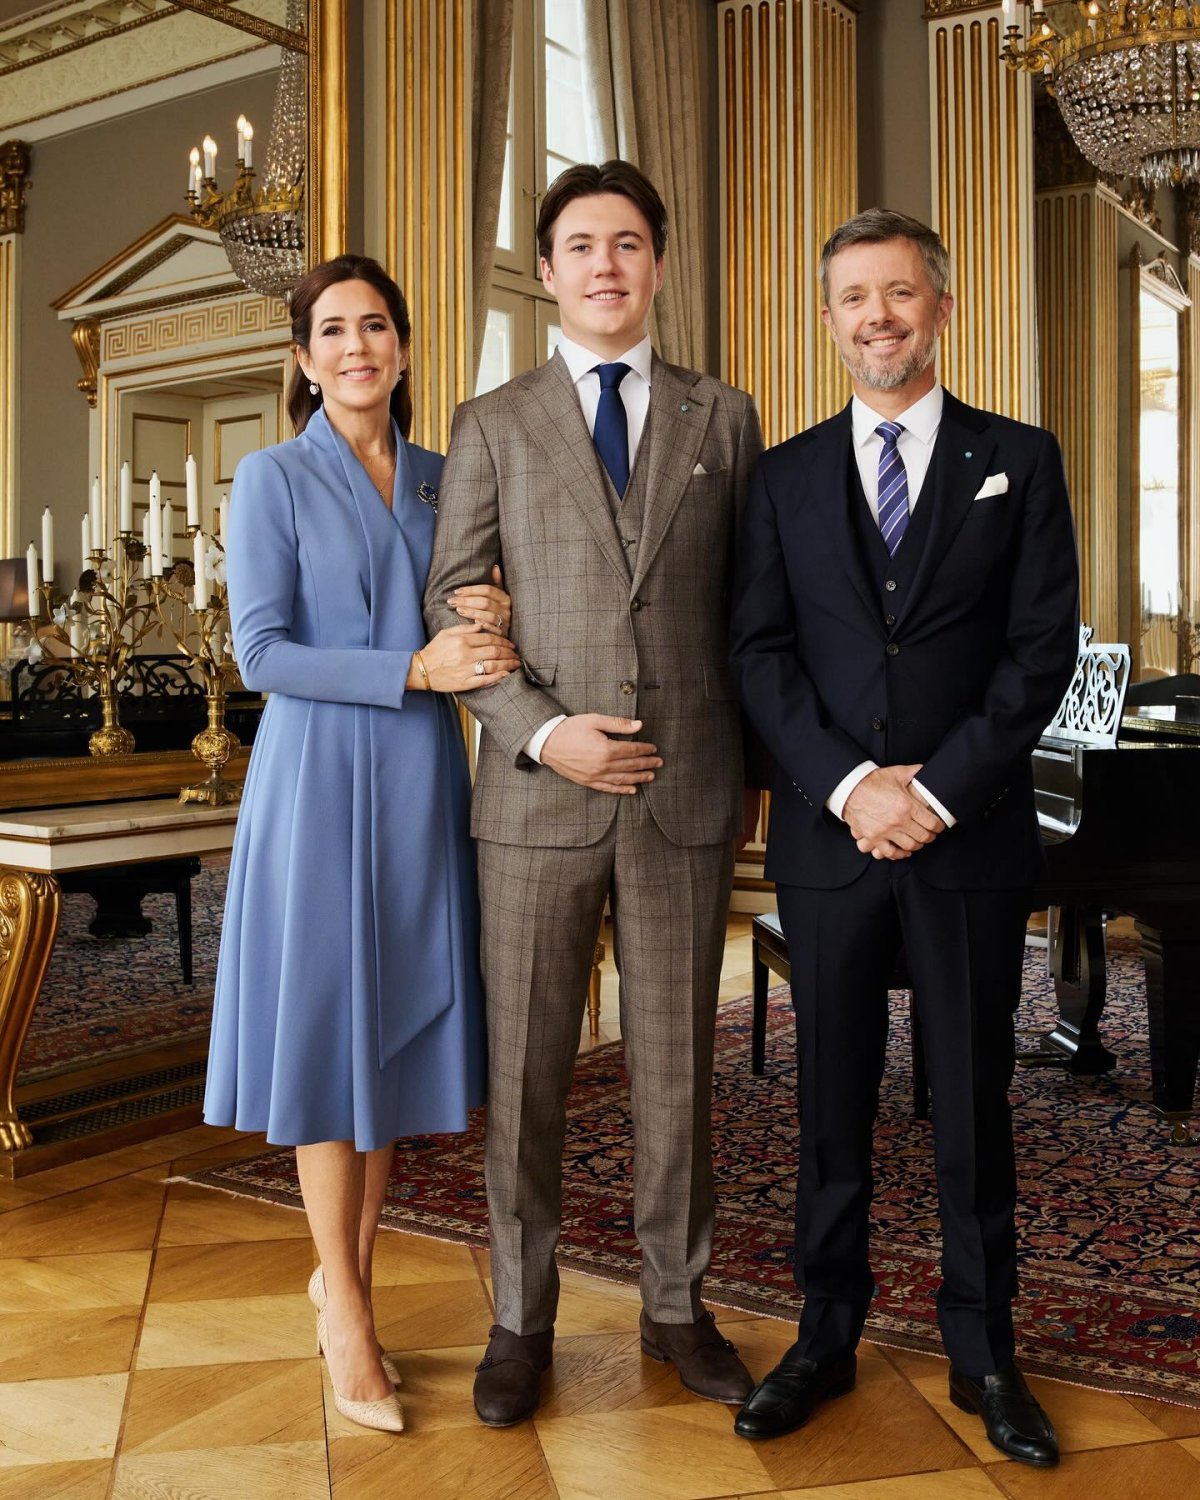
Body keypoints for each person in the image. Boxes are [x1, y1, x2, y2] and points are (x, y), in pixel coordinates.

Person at [729, 209, 1079, 1466]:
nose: (875, 316)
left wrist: (932, 793)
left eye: (898, 293)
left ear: (941, 305)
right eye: (851, 298)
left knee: (975, 1108)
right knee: (830, 1105)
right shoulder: (781, 477)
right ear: (826, 321)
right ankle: (824, 1335)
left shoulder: (1020, 461)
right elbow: (759, 656)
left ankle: (987, 1352)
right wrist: (847, 786)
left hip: (968, 837)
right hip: (831, 843)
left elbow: (1041, 651)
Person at [424, 160, 764, 1427]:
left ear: (658, 265)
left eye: (628, 243)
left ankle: (677, 1308)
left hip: (683, 793)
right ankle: (523, 1318)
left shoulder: (723, 418)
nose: (606, 264)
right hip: (536, 799)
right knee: (528, 1075)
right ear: (550, 270)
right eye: (580, 245)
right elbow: (451, 609)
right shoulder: (491, 422)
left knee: (678, 1069)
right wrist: (544, 732)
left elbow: (747, 612)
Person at [204, 255, 519, 1435]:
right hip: (317, 783)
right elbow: (263, 655)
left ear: (402, 343)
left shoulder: (447, 478)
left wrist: (491, 618)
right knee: (332, 1041)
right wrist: (411, 668)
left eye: (375, 325)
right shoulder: (271, 477)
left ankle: (348, 1279)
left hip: (424, 783)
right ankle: (346, 1305)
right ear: (303, 357)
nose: (355, 347)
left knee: (388, 1044)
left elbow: (480, 614)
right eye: (331, 330)